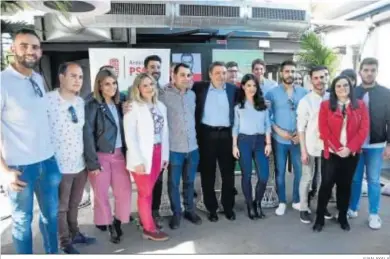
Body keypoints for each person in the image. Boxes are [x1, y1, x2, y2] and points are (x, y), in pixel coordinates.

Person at [0, 28, 61, 254]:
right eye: (24, 45)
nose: (30, 51)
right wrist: (4, 170)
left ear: (40, 51)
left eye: (34, 47)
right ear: (12, 49)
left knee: (51, 217)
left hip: (47, 162)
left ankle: (52, 253)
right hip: (19, 167)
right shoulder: (3, 82)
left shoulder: (37, 78)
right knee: (22, 222)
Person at [47, 62, 96, 254]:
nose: (78, 81)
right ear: (61, 77)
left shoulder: (80, 102)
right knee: (62, 207)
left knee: (75, 203)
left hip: (79, 164)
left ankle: (75, 233)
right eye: (73, 76)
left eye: (81, 77)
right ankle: (64, 241)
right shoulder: (48, 100)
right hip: (59, 166)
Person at [314, 75, 369, 232]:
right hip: (331, 153)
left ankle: (343, 216)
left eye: (345, 85)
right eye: (338, 86)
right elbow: (323, 130)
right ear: (334, 89)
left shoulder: (360, 105)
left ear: (350, 87)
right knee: (326, 185)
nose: (342, 88)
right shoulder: (326, 106)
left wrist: (349, 148)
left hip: (351, 154)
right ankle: (319, 217)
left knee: (345, 186)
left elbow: (363, 129)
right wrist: (339, 148)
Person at [83, 69, 131, 244]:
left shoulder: (122, 102)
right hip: (100, 155)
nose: (112, 87)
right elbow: (87, 134)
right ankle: (108, 223)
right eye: (107, 84)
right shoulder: (92, 104)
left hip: (119, 155)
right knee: (101, 194)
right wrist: (92, 162)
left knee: (123, 191)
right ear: (99, 86)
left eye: (114, 83)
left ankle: (118, 220)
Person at [124, 73, 169, 241]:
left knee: (149, 192)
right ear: (138, 89)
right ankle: (149, 229)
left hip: (158, 152)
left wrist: (164, 156)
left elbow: (165, 133)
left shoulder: (161, 106)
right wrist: (137, 161)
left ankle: (147, 222)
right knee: (145, 193)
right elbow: (130, 136)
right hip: (142, 156)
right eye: (145, 85)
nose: (150, 88)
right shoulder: (133, 107)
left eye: (151, 84)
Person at [192, 61, 237, 222]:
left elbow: (250, 101)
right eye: (217, 73)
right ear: (210, 74)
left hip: (227, 136)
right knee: (208, 174)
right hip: (207, 135)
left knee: (228, 175)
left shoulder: (233, 90)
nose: (221, 76)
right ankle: (211, 208)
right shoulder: (199, 88)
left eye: (224, 73)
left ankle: (228, 207)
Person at [159, 63, 202, 229]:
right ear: (173, 76)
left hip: (193, 147)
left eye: (188, 75)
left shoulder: (192, 95)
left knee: (190, 182)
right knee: (173, 183)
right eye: (182, 75)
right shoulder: (163, 94)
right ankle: (176, 213)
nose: (186, 78)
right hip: (174, 148)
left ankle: (190, 210)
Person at [349, 57, 390, 230]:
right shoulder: (352, 92)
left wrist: (389, 144)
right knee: (355, 179)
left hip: (376, 144)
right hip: (356, 145)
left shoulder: (385, 93)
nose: (369, 73)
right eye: (366, 70)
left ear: (376, 72)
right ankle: (352, 208)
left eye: (372, 70)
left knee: (373, 180)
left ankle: (374, 214)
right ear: (360, 72)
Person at [265, 60, 308, 216]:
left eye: (292, 71)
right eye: (287, 71)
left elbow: (307, 115)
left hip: (298, 139)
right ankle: (282, 201)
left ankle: (296, 200)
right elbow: (266, 115)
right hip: (280, 139)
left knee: (299, 171)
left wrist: (299, 132)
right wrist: (278, 130)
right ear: (281, 73)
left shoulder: (304, 92)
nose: (290, 74)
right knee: (280, 171)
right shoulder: (272, 93)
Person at [232, 74, 272, 220]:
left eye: (254, 85)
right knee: (246, 175)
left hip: (261, 142)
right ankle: (249, 205)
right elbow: (235, 127)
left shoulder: (262, 105)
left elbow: (267, 124)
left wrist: (268, 143)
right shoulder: (239, 107)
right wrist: (234, 146)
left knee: (263, 176)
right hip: (244, 141)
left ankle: (258, 203)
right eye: (248, 85)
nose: (251, 88)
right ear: (243, 87)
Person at [296, 66, 332, 224]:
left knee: (325, 178)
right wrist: (303, 151)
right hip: (310, 146)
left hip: (329, 147)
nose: (319, 81)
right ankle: (303, 208)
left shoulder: (333, 98)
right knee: (307, 177)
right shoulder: (305, 101)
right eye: (316, 78)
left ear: (327, 78)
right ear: (311, 80)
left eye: (322, 77)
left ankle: (321, 206)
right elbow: (300, 128)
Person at [144, 55, 164, 227]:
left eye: (158, 67)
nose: (155, 70)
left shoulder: (163, 92)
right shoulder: (135, 93)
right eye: (152, 67)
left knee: (158, 181)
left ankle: (154, 213)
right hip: (144, 149)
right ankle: (145, 216)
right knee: (145, 184)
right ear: (145, 69)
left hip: (160, 147)